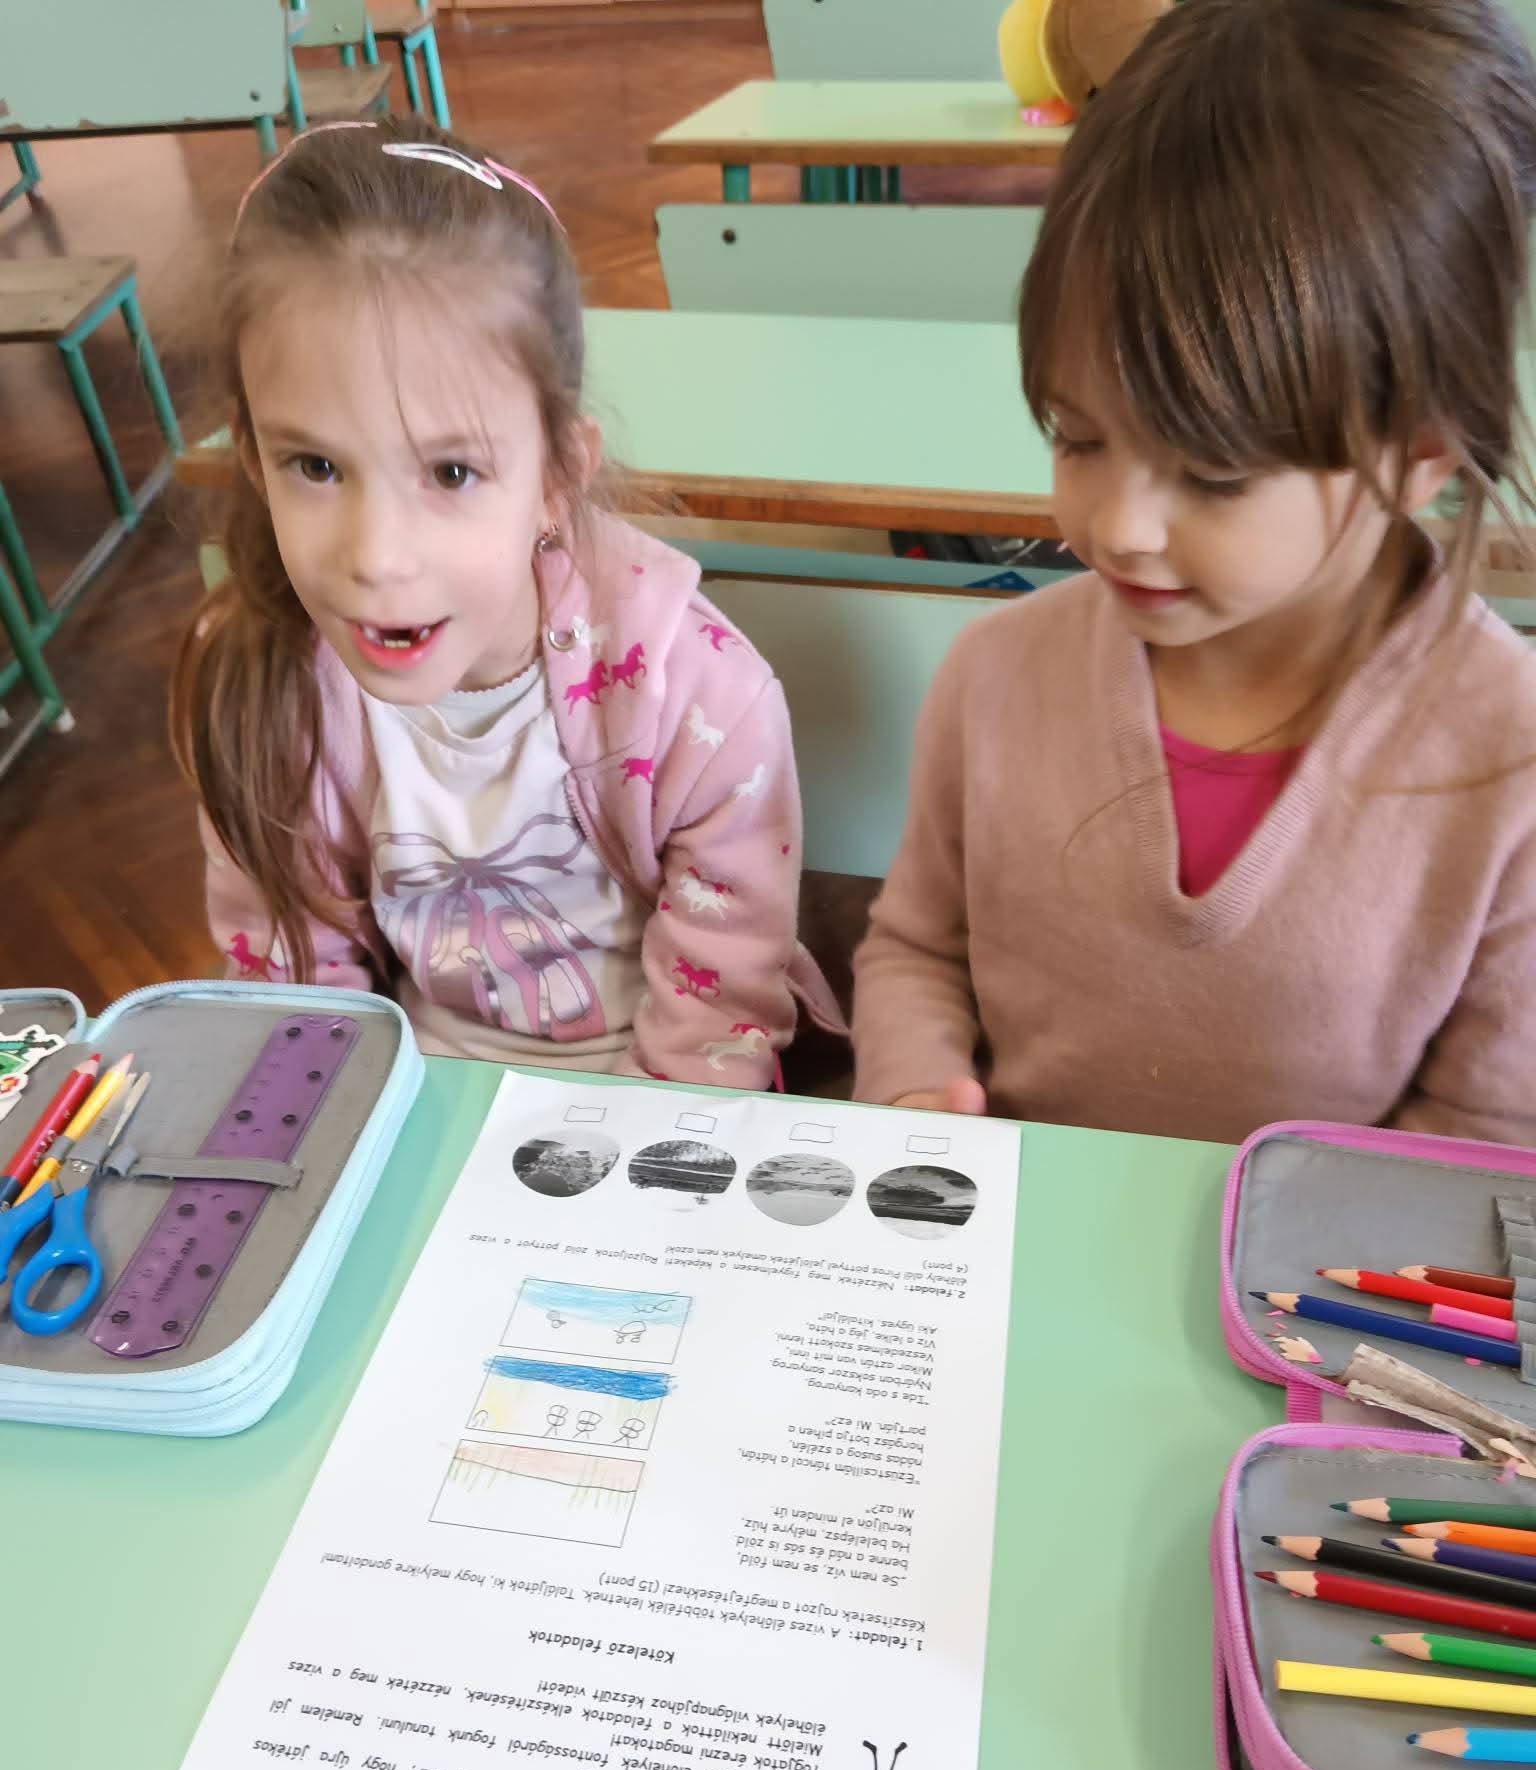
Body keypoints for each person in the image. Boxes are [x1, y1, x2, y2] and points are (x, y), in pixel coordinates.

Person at [853, 0, 1536, 1146]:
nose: (1120, 527)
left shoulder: (1508, 759)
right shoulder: (996, 674)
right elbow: (917, 948)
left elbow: (1479, 1137)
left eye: (1214, 477)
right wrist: (917, 1088)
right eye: (1077, 438)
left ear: (1417, 452)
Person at [171, 115, 836, 1085]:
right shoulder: (260, 690)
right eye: (315, 465)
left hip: (660, 1108)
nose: (377, 558)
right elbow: (300, 1009)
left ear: (558, 475)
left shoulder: (701, 696)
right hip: (408, 1101)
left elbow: (715, 1020)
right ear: (250, 458)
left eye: (451, 471)